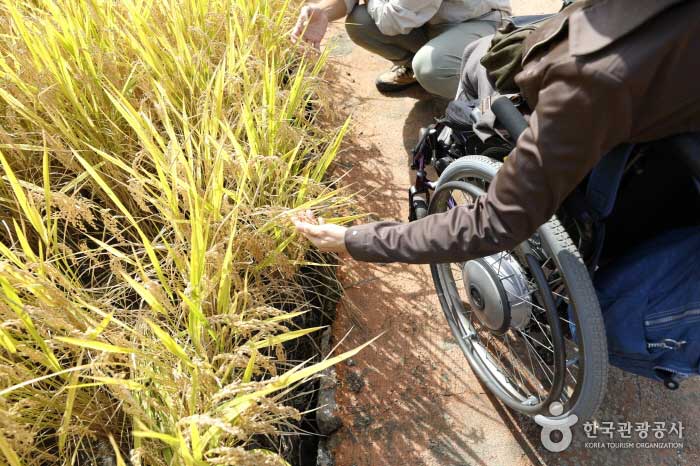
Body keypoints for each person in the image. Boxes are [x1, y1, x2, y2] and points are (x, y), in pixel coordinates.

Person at [292, 0, 700, 264]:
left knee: (474, 74)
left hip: (557, 91)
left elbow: (496, 223)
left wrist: (355, 238)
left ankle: (471, 145)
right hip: (637, 104)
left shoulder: (587, 80)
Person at [292, 0, 511, 98]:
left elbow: (392, 20)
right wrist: (321, 12)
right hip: (430, 22)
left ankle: (488, 105)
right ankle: (417, 70)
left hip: (480, 24)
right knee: (360, 21)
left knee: (431, 67)